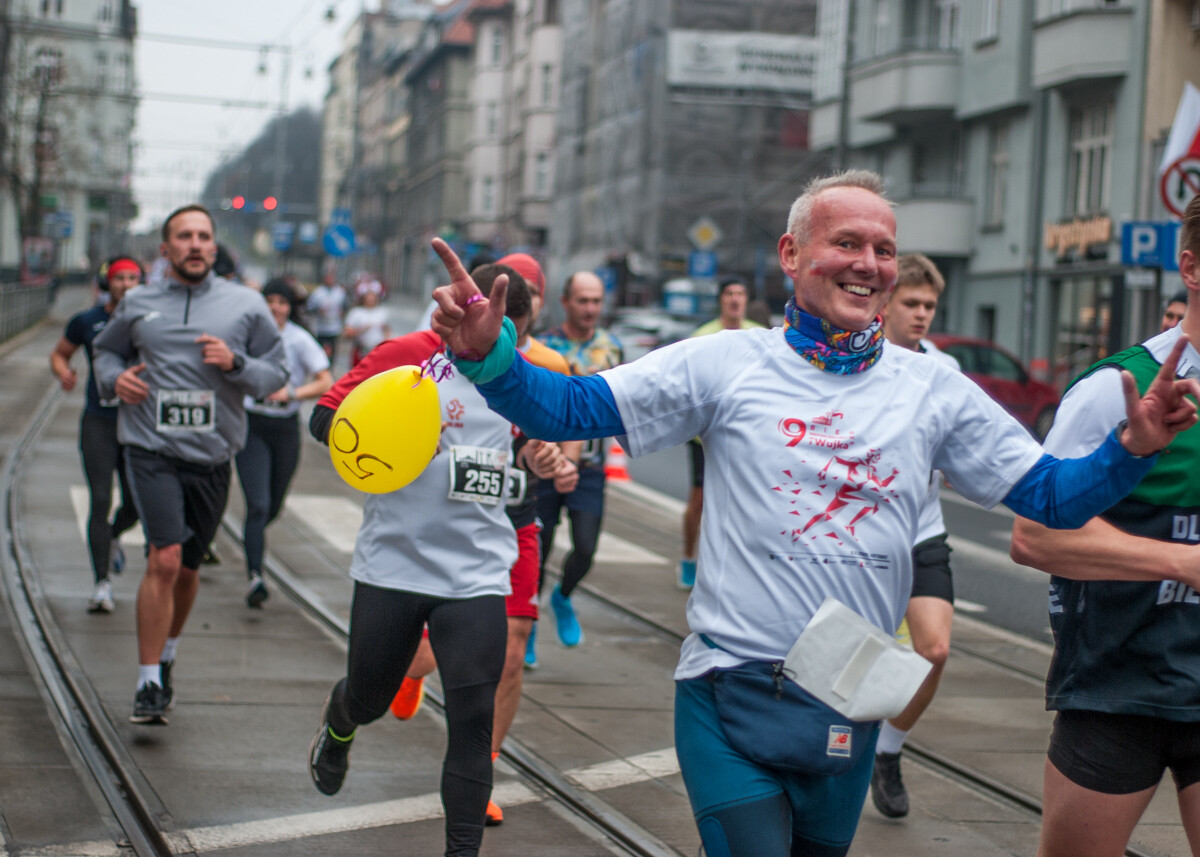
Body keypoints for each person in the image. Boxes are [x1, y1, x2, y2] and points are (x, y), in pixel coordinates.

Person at [428, 169, 1199, 857]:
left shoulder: (931, 387)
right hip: (731, 690)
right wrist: (492, 358)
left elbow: (1051, 498)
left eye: (885, 249)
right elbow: (568, 406)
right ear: (792, 256)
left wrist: (1129, 450)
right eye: (848, 242)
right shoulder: (727, 362)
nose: (870, 263)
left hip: (847, 698)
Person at [305, 271, 571, 857]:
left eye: (514, 338)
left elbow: (531, 441)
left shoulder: (520, 374)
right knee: (371, 698)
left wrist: (544, 454)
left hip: (476, 573)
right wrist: (390, 439)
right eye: (498, 331)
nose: (508, 349)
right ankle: (341, 718)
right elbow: (324, 418)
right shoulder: (405, 355)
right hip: (393, 566)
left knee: (472, 722)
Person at [1009, 193, 1200, 857]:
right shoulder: (1116, 386)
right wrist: (1181, 562)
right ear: (1191, 266)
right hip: (1119, 686)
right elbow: (1034, 536)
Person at [92, 204, 288, 725]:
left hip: (214, 453)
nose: (196, 244)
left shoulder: (245, 305)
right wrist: (116, 381)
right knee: (164, 557)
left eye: (204, 236)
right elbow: (104, 353)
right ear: (166, 249)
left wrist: (237, 363)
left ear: (214, 245)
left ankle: (170, 652)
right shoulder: (138, 301)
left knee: (189, 567)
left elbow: (276, 373)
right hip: (150, 447)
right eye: (184, 236)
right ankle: (148, 681)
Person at [870, 253, 962, 818]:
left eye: (930, 305)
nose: (922, 314)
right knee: (833, 658)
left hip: (922, 530)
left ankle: (887, 748)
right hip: (860, 536)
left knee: (934, 649)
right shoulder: (856, 360)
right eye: (912, 303)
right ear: (885, 304)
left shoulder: (944, 371)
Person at [533, 271, 623, 654]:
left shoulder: (612, 348)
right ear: (566, 302)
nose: (590, 309)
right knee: (539, 548)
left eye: (596, 301)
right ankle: (528, 623)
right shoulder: (545, 346)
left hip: (589, 467)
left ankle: (563, 597)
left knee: (585, 548)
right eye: (583, 301)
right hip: (544, 465)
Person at [50, 256, 143, 613]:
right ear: (108, 283)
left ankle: (114, 535)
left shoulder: (150, 322)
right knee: (100, 499)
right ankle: (101, 583)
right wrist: (64, 373)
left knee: (136, 504)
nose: (126, 284)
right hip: (99, 422)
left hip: (138, 423)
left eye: (134, 277)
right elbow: (59, 354)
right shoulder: (88, 321)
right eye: (120, 278)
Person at [235, 278, 332, 608]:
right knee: (258, 504)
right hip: (252, 428)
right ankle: (255, 577)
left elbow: (325, 380)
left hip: (285, 428)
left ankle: (254, 538)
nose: (275, 308)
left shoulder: (300, 339)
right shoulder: (248, 333)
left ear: (291, 308)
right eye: (270, 300)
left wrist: (291, 393)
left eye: (282, 302)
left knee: (273, 505)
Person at [679, 277, 765, 590]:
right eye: (729, 293)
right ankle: (689, 557)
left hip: (747, 435)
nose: (735, 299)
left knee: (743, 502)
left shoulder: (761, 335)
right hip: (705, 435)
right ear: (721, 300)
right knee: (700, 499)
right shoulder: (704, 336)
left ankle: (731, 567)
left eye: (741, 293)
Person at [307, 264, 349, 363]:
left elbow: (345, 307)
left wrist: (342, 314)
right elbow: (309, 308)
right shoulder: (318, 293)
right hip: (320, 328)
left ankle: (330, 368)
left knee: (332, 352)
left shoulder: (340, 292)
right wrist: (318, 311)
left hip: (334, 328)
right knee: (320, 351)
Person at [343, 282, 391, 367]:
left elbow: (387, 330)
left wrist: (386, 344)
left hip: (378, 352)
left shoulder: (382, 313)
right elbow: (347, 333)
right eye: (368, 296)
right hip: (360, 352)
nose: (370, 299)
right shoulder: (356, 313)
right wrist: (361, 330)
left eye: (372, 296)